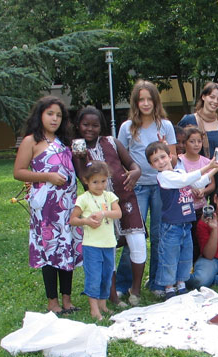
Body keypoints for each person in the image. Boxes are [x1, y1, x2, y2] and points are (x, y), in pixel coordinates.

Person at [13, 96, 82, 314]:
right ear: (40, 115)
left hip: (67, 206)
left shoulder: (64, 141)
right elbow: (19, 172)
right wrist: (48, 176)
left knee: (66, 249)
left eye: (59, 115)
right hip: (46, 209)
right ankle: (53, 302)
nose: (54, 119)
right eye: (50, 114)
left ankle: (67, 300)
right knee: (50, 250)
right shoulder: (31, 141)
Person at [72, 106, 146, 307]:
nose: (90, 129)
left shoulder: (112, 142)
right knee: (109, 247)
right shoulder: (77, 148)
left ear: (101, 126)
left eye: (95, 125)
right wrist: (79, 157)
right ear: (78, 125)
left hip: (126, 199)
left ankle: (135, 291)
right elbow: (82, 177)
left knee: (137, 242)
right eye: (85, 125)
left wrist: (136, 173)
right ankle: (112, 295)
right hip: (99, 205)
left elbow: (133, 165)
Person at [116, 80, 177, 299]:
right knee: (134, 234)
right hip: (137, 188)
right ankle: (125, 284)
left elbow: (175, 159)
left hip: (162, 187)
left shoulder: (166, 126)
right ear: (135, 102)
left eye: (149, 99)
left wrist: (165, 151)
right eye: (141, 99)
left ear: (155, 101)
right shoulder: (127, 127)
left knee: (160, 235)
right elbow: (119, 158)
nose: (145, 103)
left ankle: (157, 282)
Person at [146, 141, 218, 299]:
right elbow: (185, 181)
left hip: (185, 224)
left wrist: (215, 168)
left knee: (185, 256)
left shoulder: (178, 172)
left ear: (170, 156)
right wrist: (208, 165)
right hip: (171, 226)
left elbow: (197, 183)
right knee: (169, 257)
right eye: (155, 160)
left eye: (163, 157)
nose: (161, 161)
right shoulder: (163, 177)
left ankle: (181, 284)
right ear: (152, 165)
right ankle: (169, 287)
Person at [70, 161, 122, 320]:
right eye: (95, 182)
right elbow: (73, 219)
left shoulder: (109, 196)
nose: (100, 186)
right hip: (92, 245)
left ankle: (102, 304)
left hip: (109, 244)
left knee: (107, 275)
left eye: (103, 181)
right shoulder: (84, 199)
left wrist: (104, 214)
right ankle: (94, 309)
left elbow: (118, 213)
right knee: (94, 276)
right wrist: (86, 221)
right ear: (86, 181)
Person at [177, 82, 218, 188]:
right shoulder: (188, 120)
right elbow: (178, 147)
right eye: (212, 97)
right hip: (194, 174)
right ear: (203, 97)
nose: (215, 102)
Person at [174, 127, 216, 262]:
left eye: (199, 141)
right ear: (185, 143)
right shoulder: (179, 160)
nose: (197, 144)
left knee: (199, 235)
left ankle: (198, 263)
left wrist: (204, 191)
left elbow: (212, 184)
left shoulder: (206, 161)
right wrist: (189, 190)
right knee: (186, 237)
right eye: (192, 141)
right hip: (183, 208)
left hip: (200, 208)